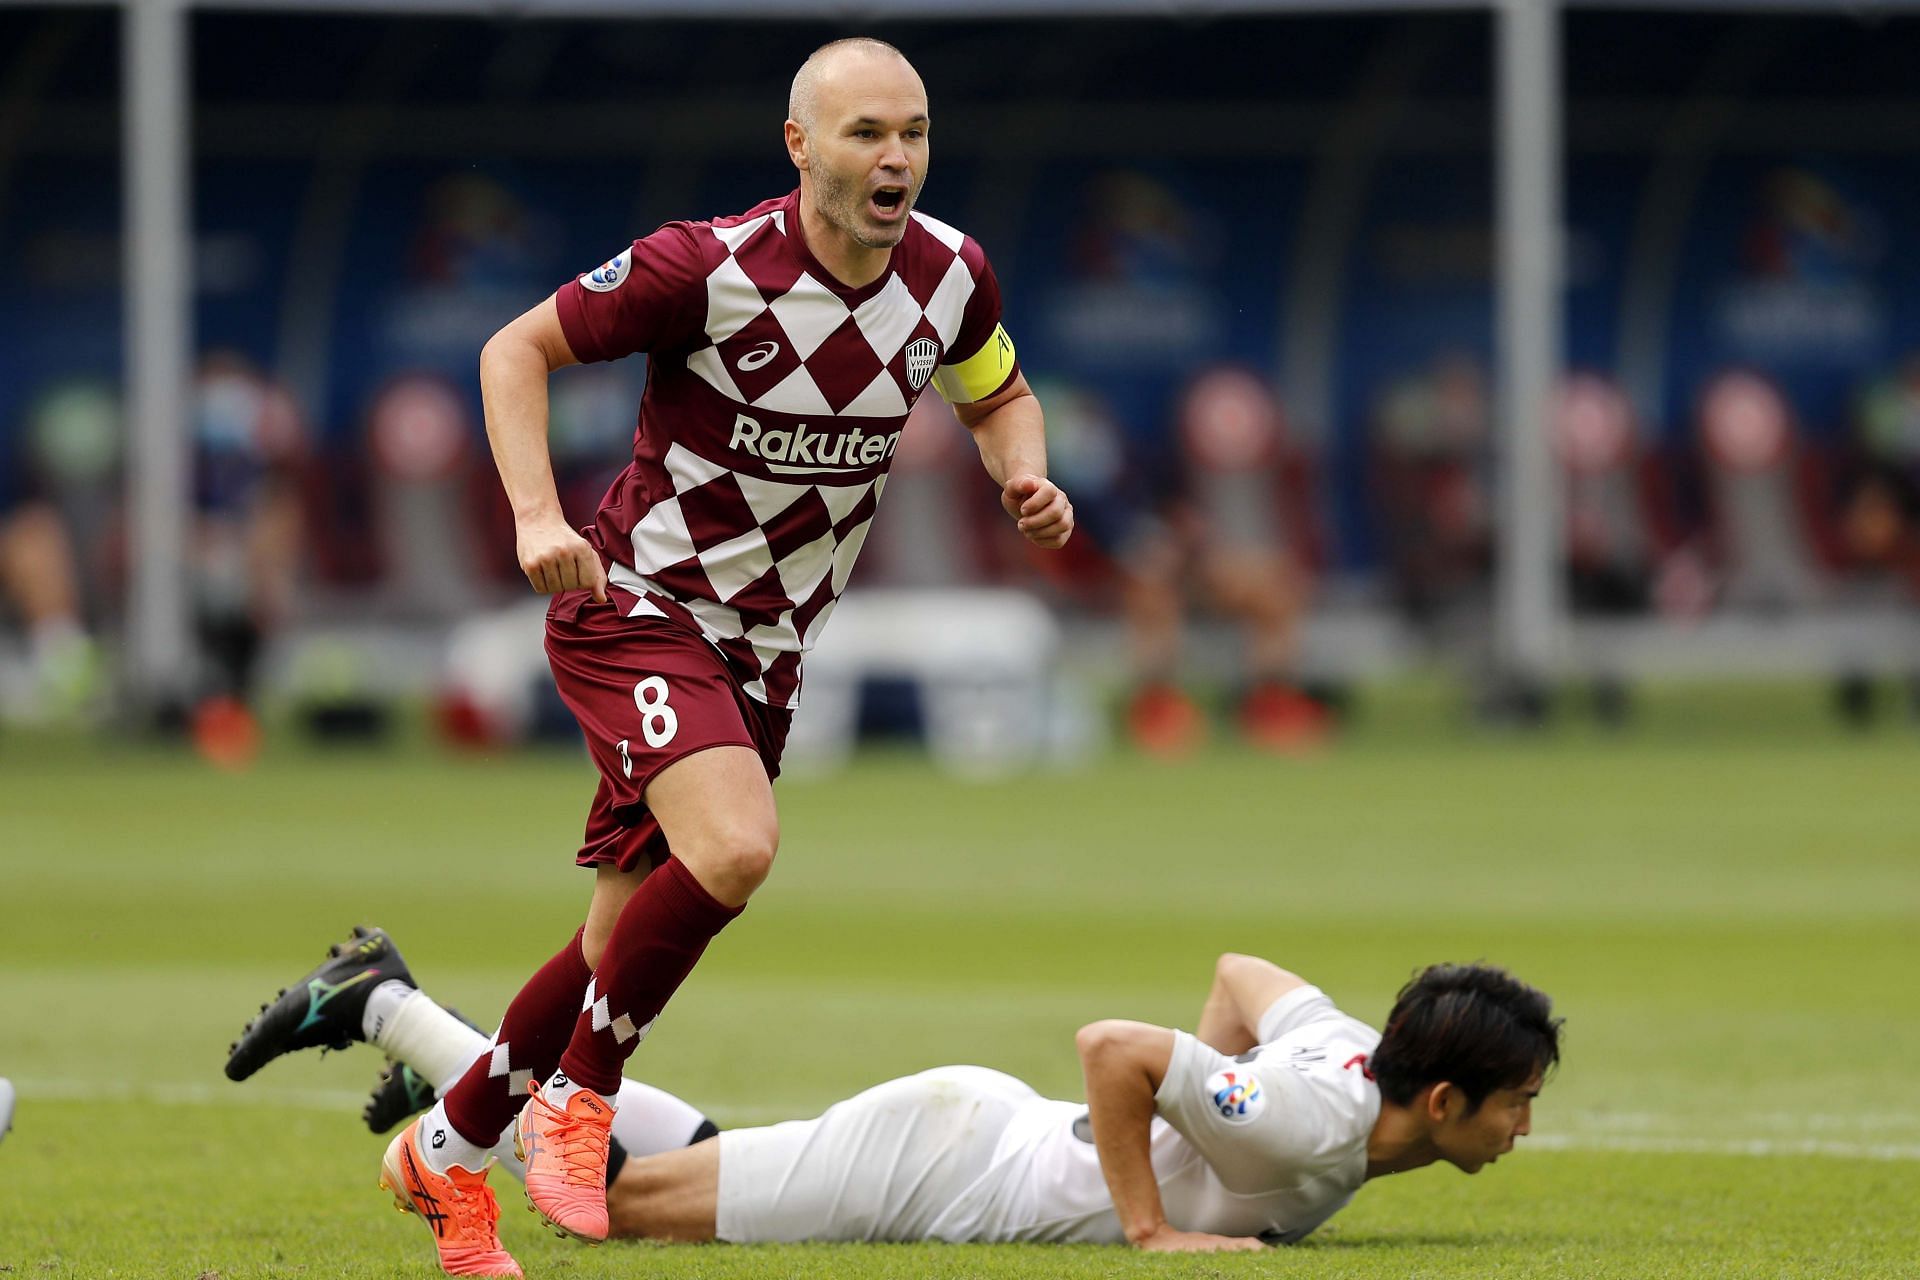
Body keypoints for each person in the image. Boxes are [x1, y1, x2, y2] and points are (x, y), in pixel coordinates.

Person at [230, 36, 1071, 1279]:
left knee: (606, 948)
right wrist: (533, 516)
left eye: (915, 132)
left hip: (766, 656)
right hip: (640, 608)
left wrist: (1023, 473)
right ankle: (580, 1097)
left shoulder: (952, 276)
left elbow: (997, 394)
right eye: (865, 133)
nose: (896, 157)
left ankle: (447, 1154)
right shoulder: (708, 265)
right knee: (736, 845)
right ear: (800, 147)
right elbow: (512, 350)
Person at [229, 927, 1560, 1253]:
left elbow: (1238, 972)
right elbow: (1119, 1046)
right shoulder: (1320, 1114)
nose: (1526, 1126)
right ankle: (391, 1010)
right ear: (1439, 1101)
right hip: (949, 1167)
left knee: (708, 1153)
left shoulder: (1338, 1058)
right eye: (1515, 1103)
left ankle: (439, 1042)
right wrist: (1151, 1227)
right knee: (619, 1210)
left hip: (964, 1133)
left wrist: (1174, 1143)